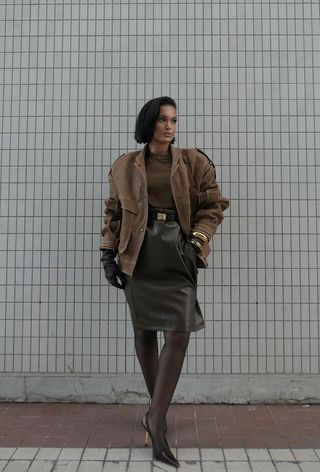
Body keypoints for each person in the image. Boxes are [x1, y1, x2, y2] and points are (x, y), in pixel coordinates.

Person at [99, 96, 230, 468]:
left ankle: (154, 418)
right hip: (138, 253)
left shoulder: (194, 161)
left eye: (174, 120)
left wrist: (197, 241)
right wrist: (107, 253)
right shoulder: (125, 165)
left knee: (179, 333)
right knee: (144, 331)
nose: (170, 126)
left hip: (178, 252)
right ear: (149, 123)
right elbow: (113, 212)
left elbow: (213, 205)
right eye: (162, 120)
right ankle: (158, 415)